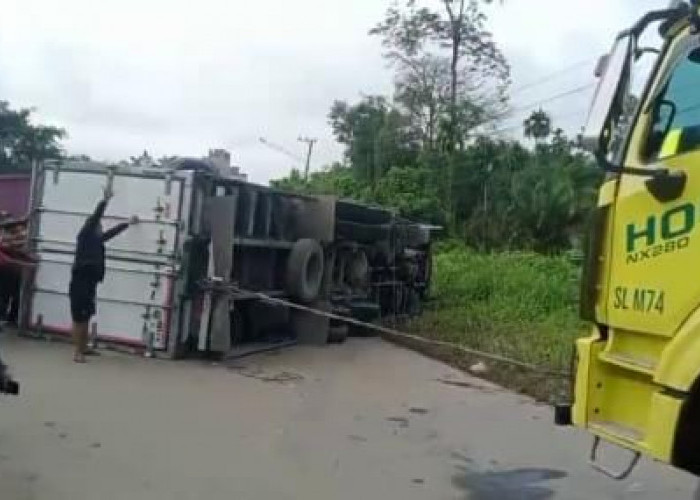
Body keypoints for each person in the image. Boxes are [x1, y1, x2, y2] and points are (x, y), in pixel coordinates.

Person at [69, 187, 138, 363]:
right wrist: (105, 200)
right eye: (98, 227)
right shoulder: (85, 235)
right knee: (79, 317)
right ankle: (78, 352)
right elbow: (95, 217)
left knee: (87, 315)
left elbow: (111, 234)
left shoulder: (96, 240)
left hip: (90, 282)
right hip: (81, 281)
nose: (101, 229)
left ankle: (84, 348)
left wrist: (127, 223)